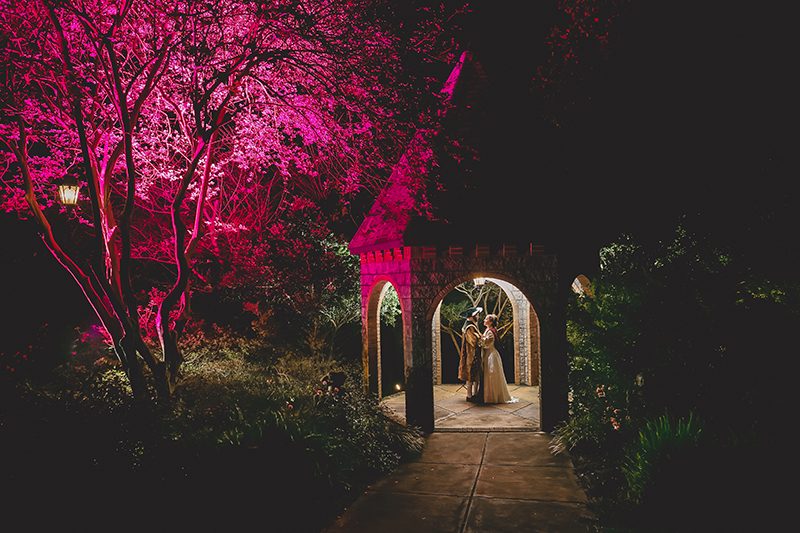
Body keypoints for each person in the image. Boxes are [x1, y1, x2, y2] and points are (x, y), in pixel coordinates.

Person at [481, 313, 518, 404]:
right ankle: (490, 396)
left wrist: (480, 340)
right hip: (488, 354)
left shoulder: (491, 331)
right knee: (490, 375)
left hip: (491, 355)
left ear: (490, 322)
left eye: (486, 319)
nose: (484, 320)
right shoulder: (488, 329)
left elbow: (487, 344)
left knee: (492, 375)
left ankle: (494, 397)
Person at [457, 306, 483, 403]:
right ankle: (470, 395)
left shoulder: (471, 325)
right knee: (471, 376)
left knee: (474, 376)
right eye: (477, 315)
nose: (478, 317)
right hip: (471, 354)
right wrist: (480, 337)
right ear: (472, 316)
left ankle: (474, 394)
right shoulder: (470, 327)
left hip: (472, 354)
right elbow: (473, 341)